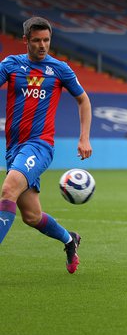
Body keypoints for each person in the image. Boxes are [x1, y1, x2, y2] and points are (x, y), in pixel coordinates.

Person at [0, 16, 92, 273]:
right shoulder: (11, 65)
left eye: (47, 40)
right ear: (25, 40)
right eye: (37, 40)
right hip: (14, 149)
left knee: (7, 190)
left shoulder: (60, 69)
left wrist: (84, 137)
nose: (43, 45)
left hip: (39, 145)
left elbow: (83, 100)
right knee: (31, 216)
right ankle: (69, 239)